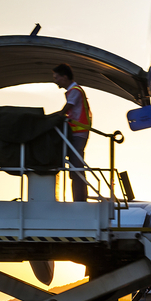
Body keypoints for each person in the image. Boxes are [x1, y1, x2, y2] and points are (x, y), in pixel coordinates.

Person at [52, 63, 91, 202]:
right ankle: (79, 198)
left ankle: (80, 199)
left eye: (57, 77)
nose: (55, 80)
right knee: (75, 166)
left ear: (65, 76)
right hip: (75, 132)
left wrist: (55, 117)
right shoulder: (73, 90)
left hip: (78, 132)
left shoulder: (75, 90)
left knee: (76, 166)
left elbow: (68, 108)